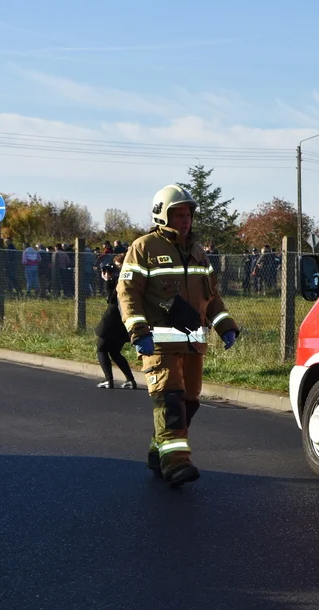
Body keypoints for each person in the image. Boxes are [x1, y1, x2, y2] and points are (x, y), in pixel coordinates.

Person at [117, 184, 241, 488]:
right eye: (178, 214)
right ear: (163, 215)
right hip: (157, 343)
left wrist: (226, 326)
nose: (185, 220)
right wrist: (138, 330)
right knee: (170, 400)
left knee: (188, 402)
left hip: (193, 344)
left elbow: (212, 298)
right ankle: (176, 463)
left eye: (188, 214)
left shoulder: (199, 253)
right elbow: (127, 292)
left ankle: (158, 449)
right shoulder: (144, 247)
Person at [95, 253, 137, 390]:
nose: (116, 270)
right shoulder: (135, 277)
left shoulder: (123, 279)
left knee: (101, 349)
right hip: (125, 319)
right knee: (114, 351)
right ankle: (130, 380)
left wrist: (107, 281)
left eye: (118, 266)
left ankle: (109, 380)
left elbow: (111, 299)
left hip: (113, 319)